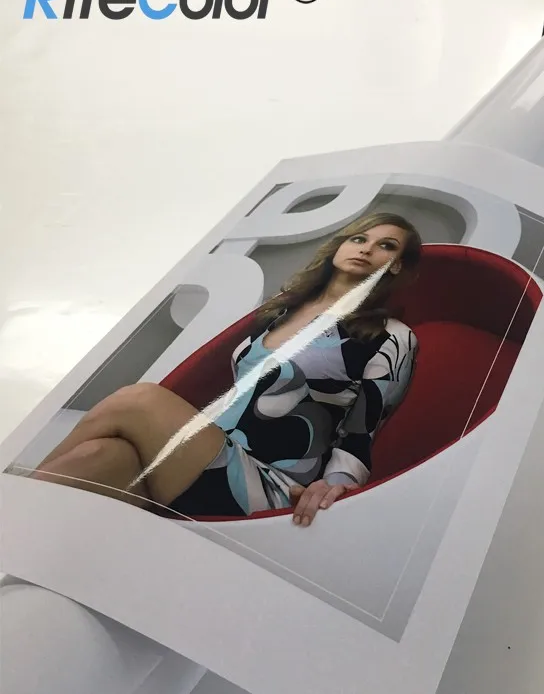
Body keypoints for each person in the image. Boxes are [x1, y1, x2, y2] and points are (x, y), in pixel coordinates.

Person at [30, 213, 422, 527]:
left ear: (396, 265)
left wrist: (336, 488)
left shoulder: (390, 337)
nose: (367, 248)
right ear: (339, 247)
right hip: (206, 453)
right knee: (96, 456)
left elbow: (362, 433)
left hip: (267, 485)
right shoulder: (281, 311)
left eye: (386, 245)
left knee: (138, 400)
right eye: (359, 238)